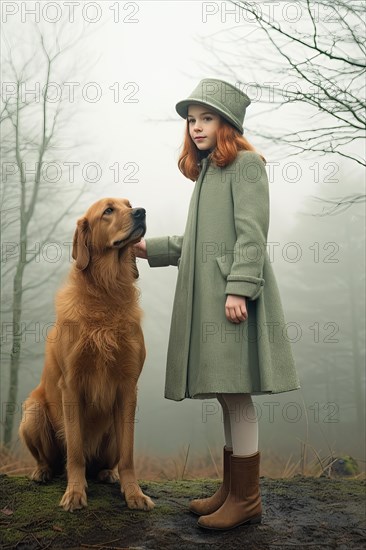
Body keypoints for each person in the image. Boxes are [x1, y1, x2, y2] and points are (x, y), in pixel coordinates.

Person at [134, 78, 301, 530]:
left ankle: (247, 500)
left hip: (232, 299)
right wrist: (156, 249)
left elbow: (251, 235)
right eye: (191, 120)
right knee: (227, 394)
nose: (196, 128)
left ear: (228, 123)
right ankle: (232, 490)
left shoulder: (246, 165)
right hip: (214, 299)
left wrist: (238, 288)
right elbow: (200, 240)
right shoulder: (211, 170)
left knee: (237, 392)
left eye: (206, 118)